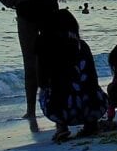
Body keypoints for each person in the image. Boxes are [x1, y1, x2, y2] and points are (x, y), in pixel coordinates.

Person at [36, 8, 106, 143]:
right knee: (85, 84)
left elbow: (42, 81)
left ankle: (61, 127)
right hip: (95, 108)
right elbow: (93, 77)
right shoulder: (83, 45)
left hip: (61, 112)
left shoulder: (47, 48)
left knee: (46, 90)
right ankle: (91, 124)